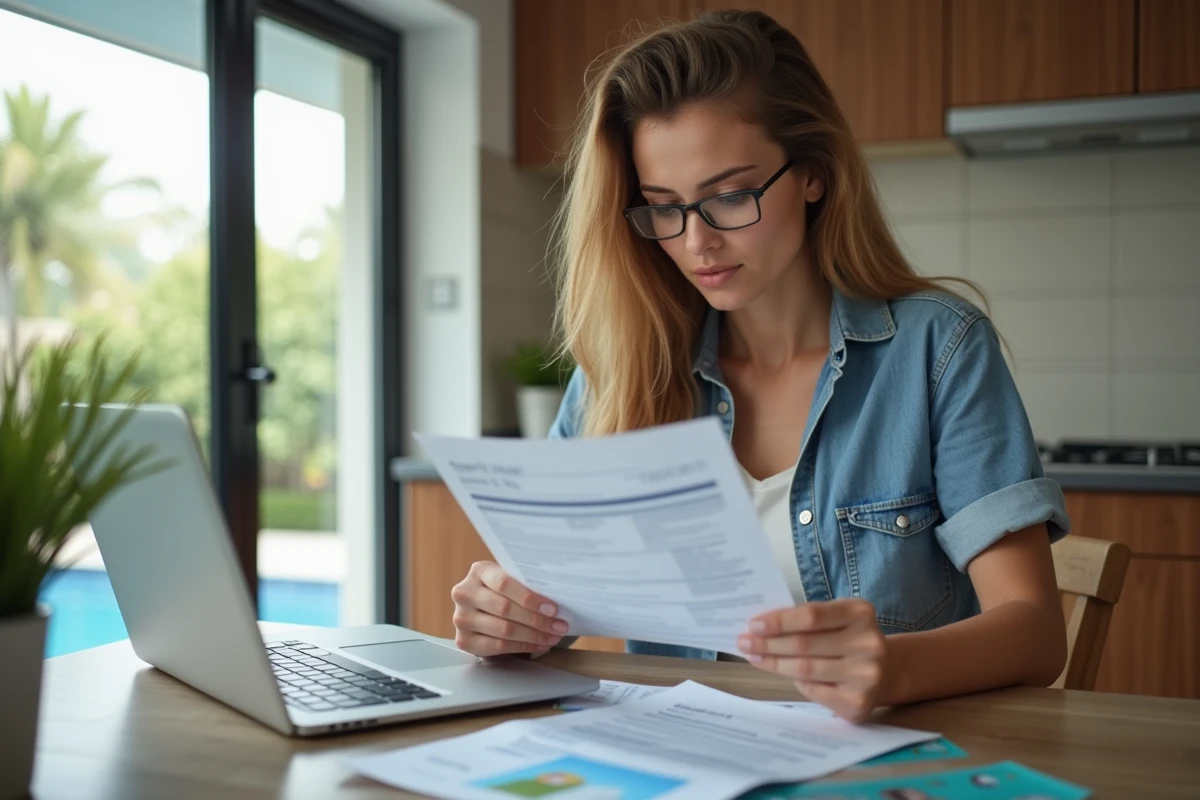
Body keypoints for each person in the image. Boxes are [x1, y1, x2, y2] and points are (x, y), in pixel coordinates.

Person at [450, 8, 1069, 722]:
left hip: (883, 759)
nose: (697, 243)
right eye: (664, 208)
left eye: (729, 196)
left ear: (812, 174)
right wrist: (507, 618)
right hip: (681, 755)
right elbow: (553, 608)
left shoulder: (939, 349)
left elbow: (1035, 632)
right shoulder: (621, 370)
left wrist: (895, 667)